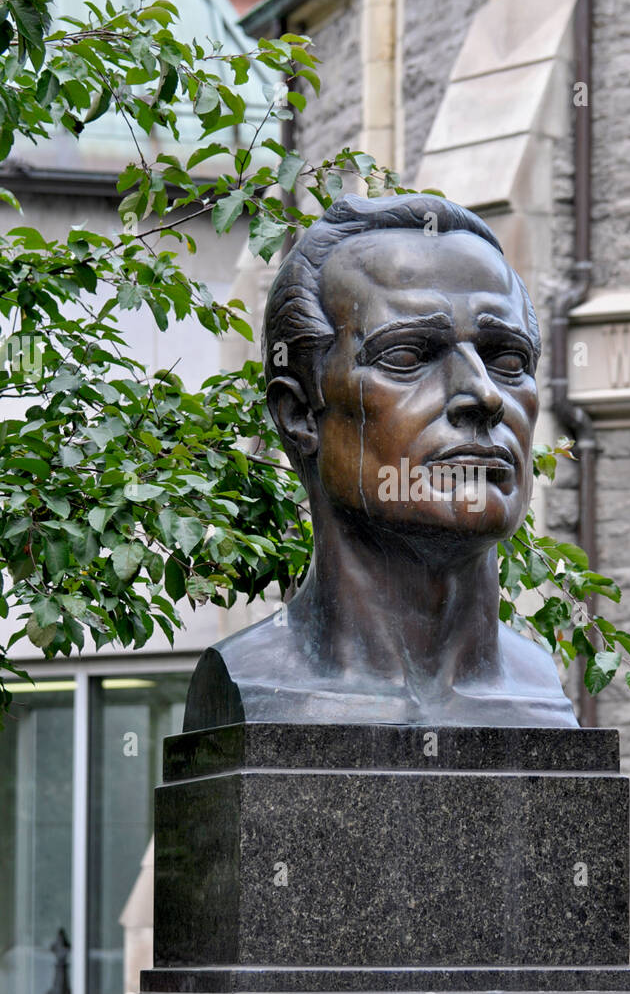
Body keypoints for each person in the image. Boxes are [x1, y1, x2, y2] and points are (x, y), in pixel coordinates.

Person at [183, 193, 578, 730]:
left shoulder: (540, 698)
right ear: (300, 414)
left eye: (508, 360)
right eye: (408, 356)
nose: (484, 397)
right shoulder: (255, 686)